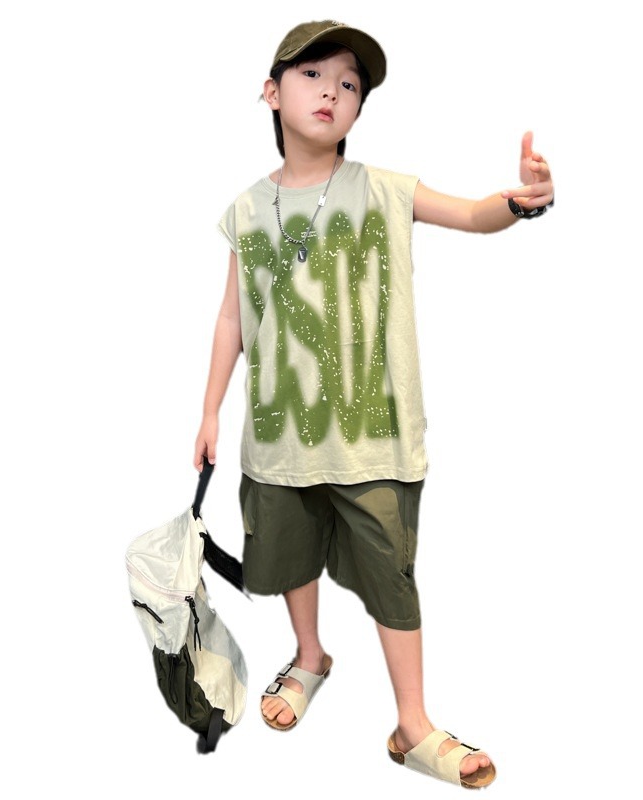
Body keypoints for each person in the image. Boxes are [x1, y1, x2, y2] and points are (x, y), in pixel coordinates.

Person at [193, 20, 553, 790]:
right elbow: (231, 315)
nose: (332, 90)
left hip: (372, 437)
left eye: (349, 83)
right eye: (313, 74)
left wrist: (521, 202)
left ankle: (412, 724)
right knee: (290, 553)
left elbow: (473, 214)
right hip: (278, 434)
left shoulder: (383, 190)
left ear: (358, 109)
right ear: (271, 92)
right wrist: (210, 410)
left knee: (392, 573)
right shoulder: (247, 209)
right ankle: (310, 657)